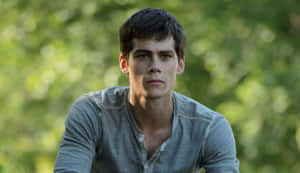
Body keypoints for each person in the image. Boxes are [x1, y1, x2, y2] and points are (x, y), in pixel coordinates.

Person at [54, 8, 239, 173]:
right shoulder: (92, 114)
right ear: (124, 63)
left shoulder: (209, 128)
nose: (155, 67)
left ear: (180, 64)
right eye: (143, 56)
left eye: (165, 56)